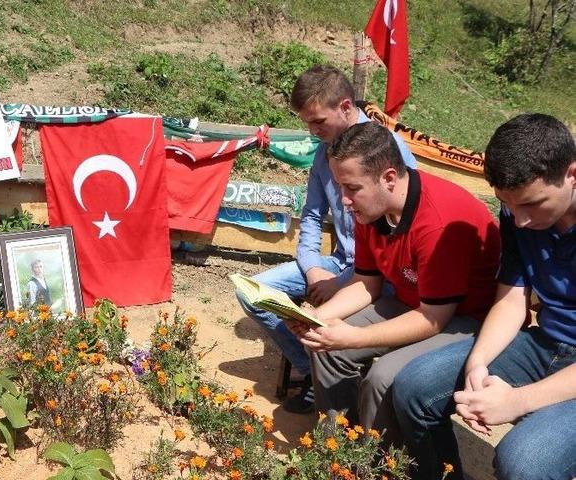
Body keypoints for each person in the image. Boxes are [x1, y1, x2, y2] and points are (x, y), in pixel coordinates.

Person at [288, 121, 500, 440]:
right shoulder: (370, 207)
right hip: (413, 303)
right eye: (340, 186)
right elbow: (366, 283)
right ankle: (334, 452)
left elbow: (433, 319)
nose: (344, 199)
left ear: (388, 178)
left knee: (382, 378)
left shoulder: (438, 223)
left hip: (464, 319)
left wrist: (351, 337)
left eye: (352, 188)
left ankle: (375, 467)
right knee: (326, 348)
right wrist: (319, 317)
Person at [393, 114, 576, 480]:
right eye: (509, 206)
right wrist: (478, 363)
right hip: (548, 342)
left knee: (524, 462)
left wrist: (515, 402)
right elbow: (511, 298)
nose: (520, 220)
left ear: (572, 174)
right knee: (414, 386)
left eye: (532, 204)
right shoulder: (517, 212)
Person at [234, 65, 416, 414]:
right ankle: (314, 373)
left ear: (345, 107)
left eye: (318, 121)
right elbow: (313, 219)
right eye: (307, 123)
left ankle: (330, 376)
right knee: (252, 291)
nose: (312, 131)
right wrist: (315, 269)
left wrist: (341, 283)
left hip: (379, 274)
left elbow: (402, 230)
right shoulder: (324, 153)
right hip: (337, 262)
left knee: (329, 313)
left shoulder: (389, 148)